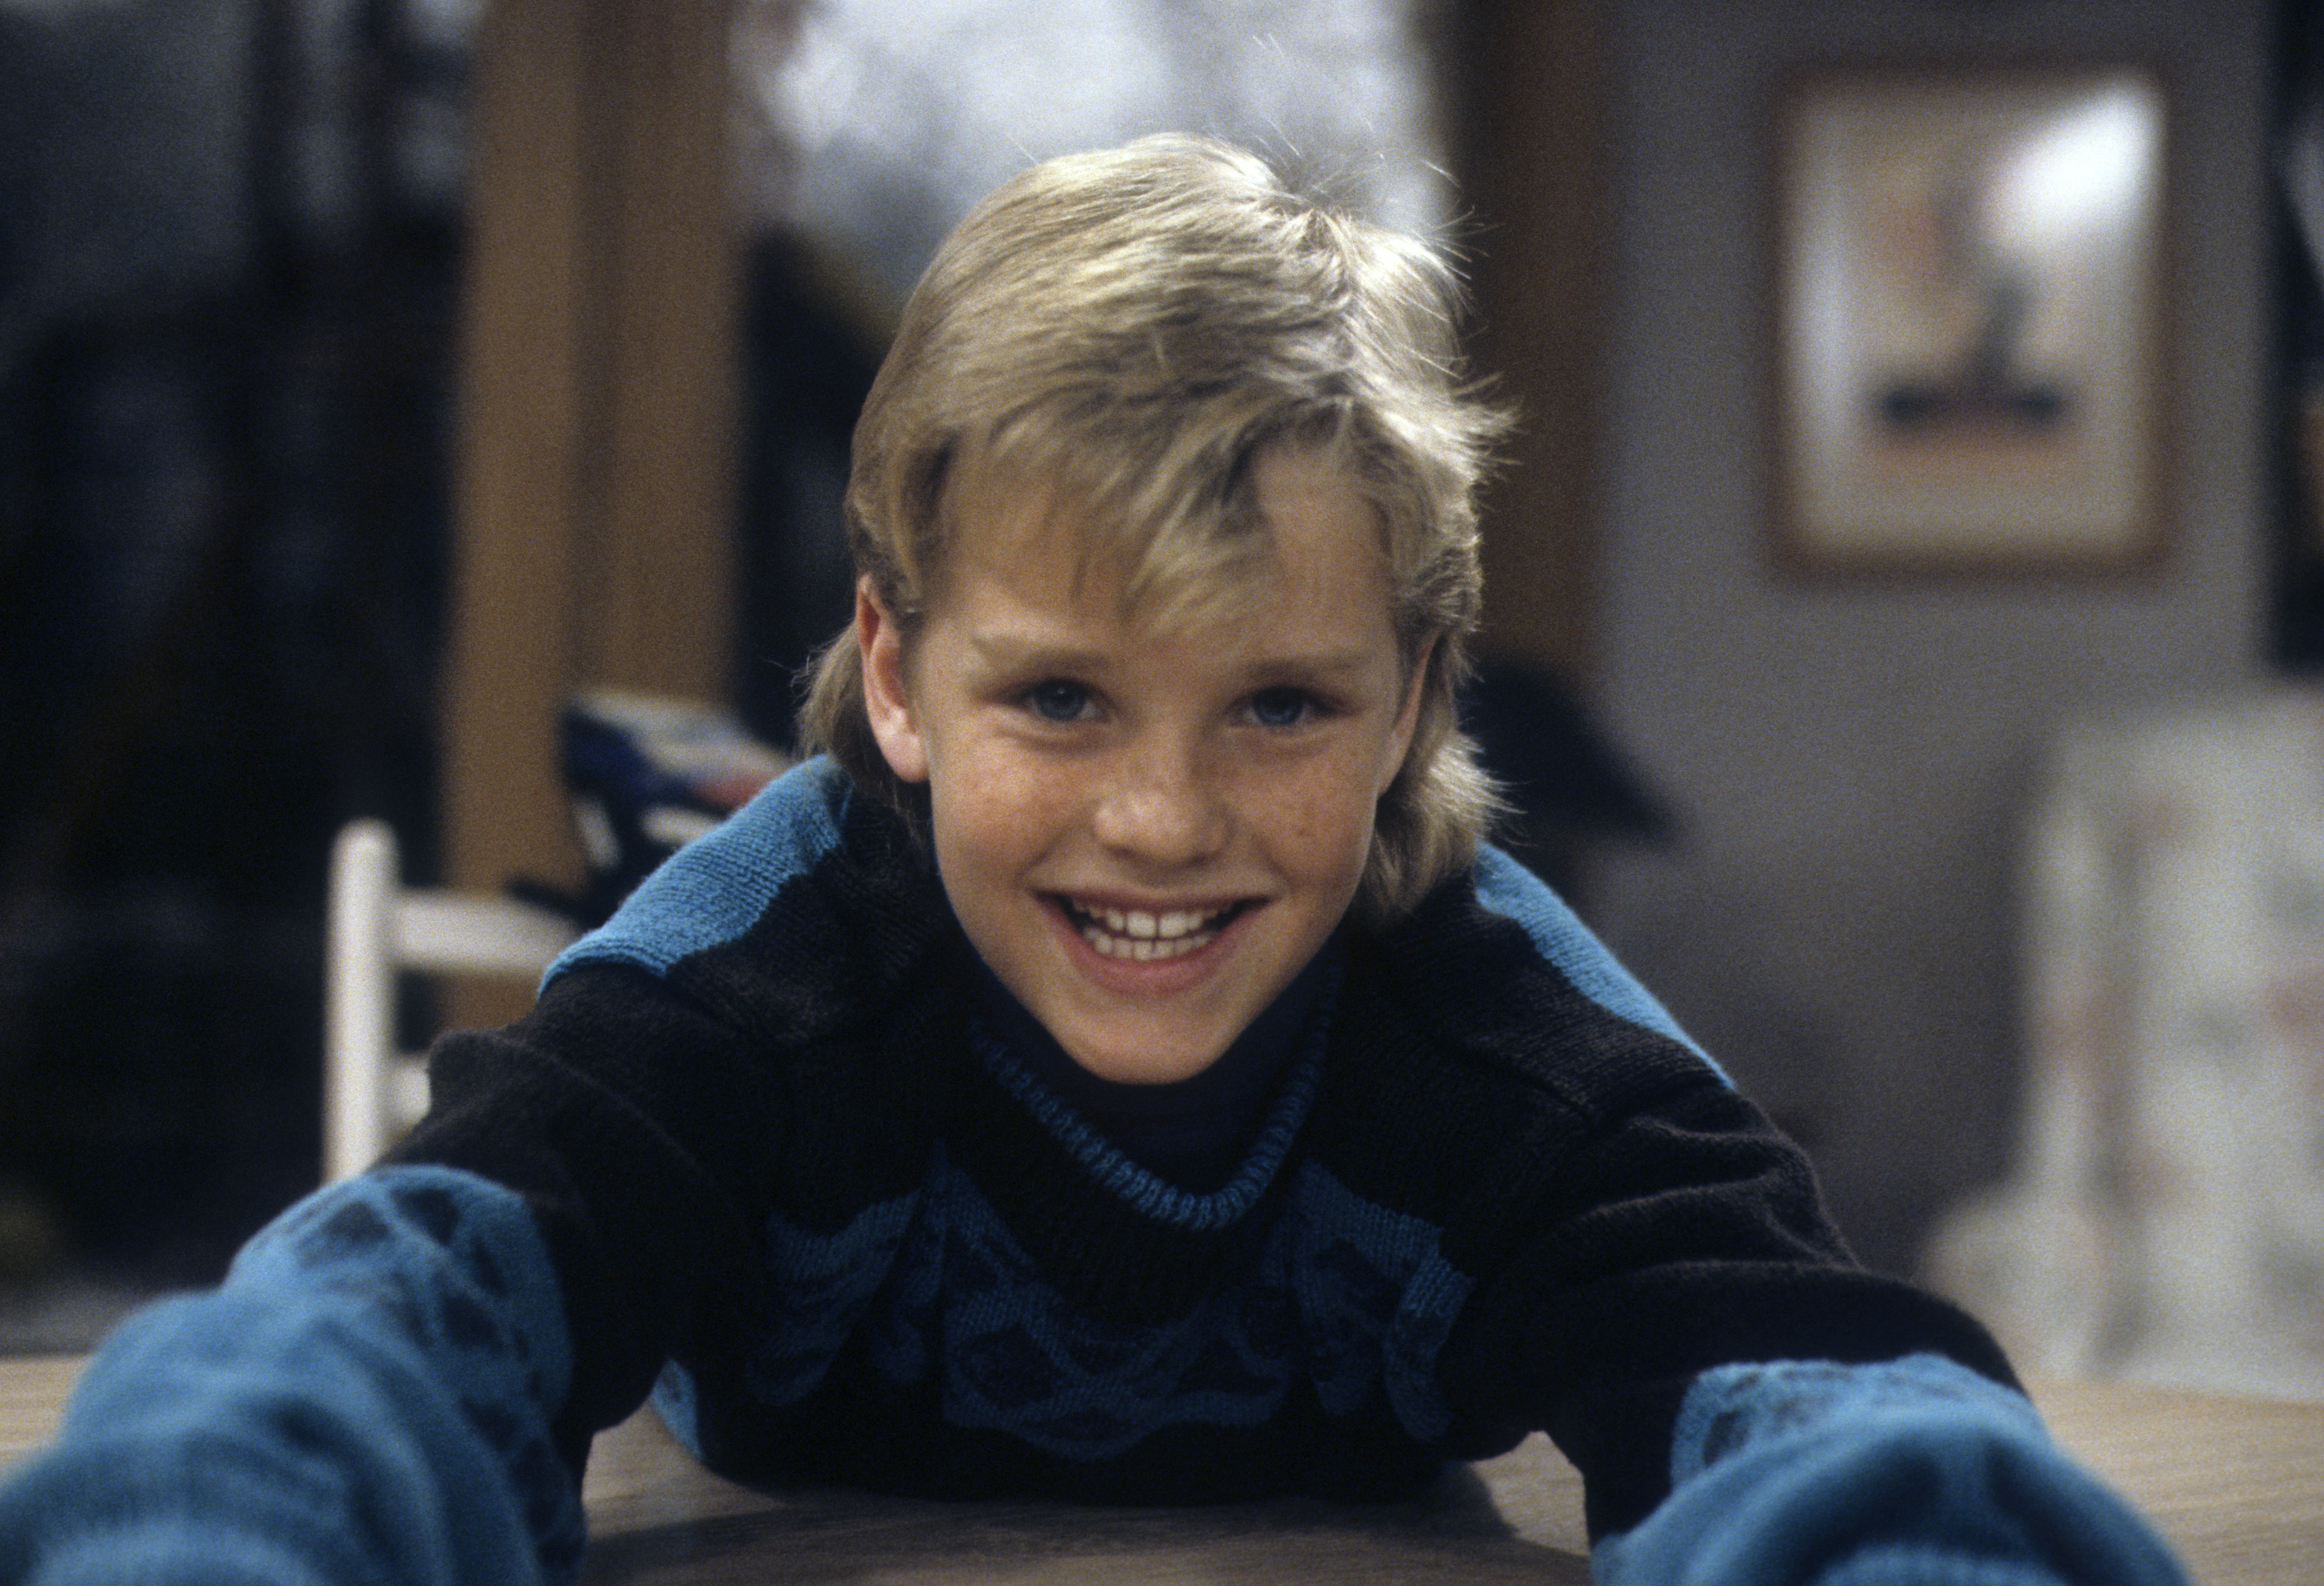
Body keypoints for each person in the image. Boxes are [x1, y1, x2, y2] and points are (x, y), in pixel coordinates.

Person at [0, 136, 2184, 1586]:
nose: (1165, 817)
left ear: (1416, 697)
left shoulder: (1508, 1046)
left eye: (1281, 704)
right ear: (895, 667)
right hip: (821, 942)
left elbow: (1814, 1391)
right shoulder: (756, 998)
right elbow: (393, 1316)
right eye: (1062, 695)